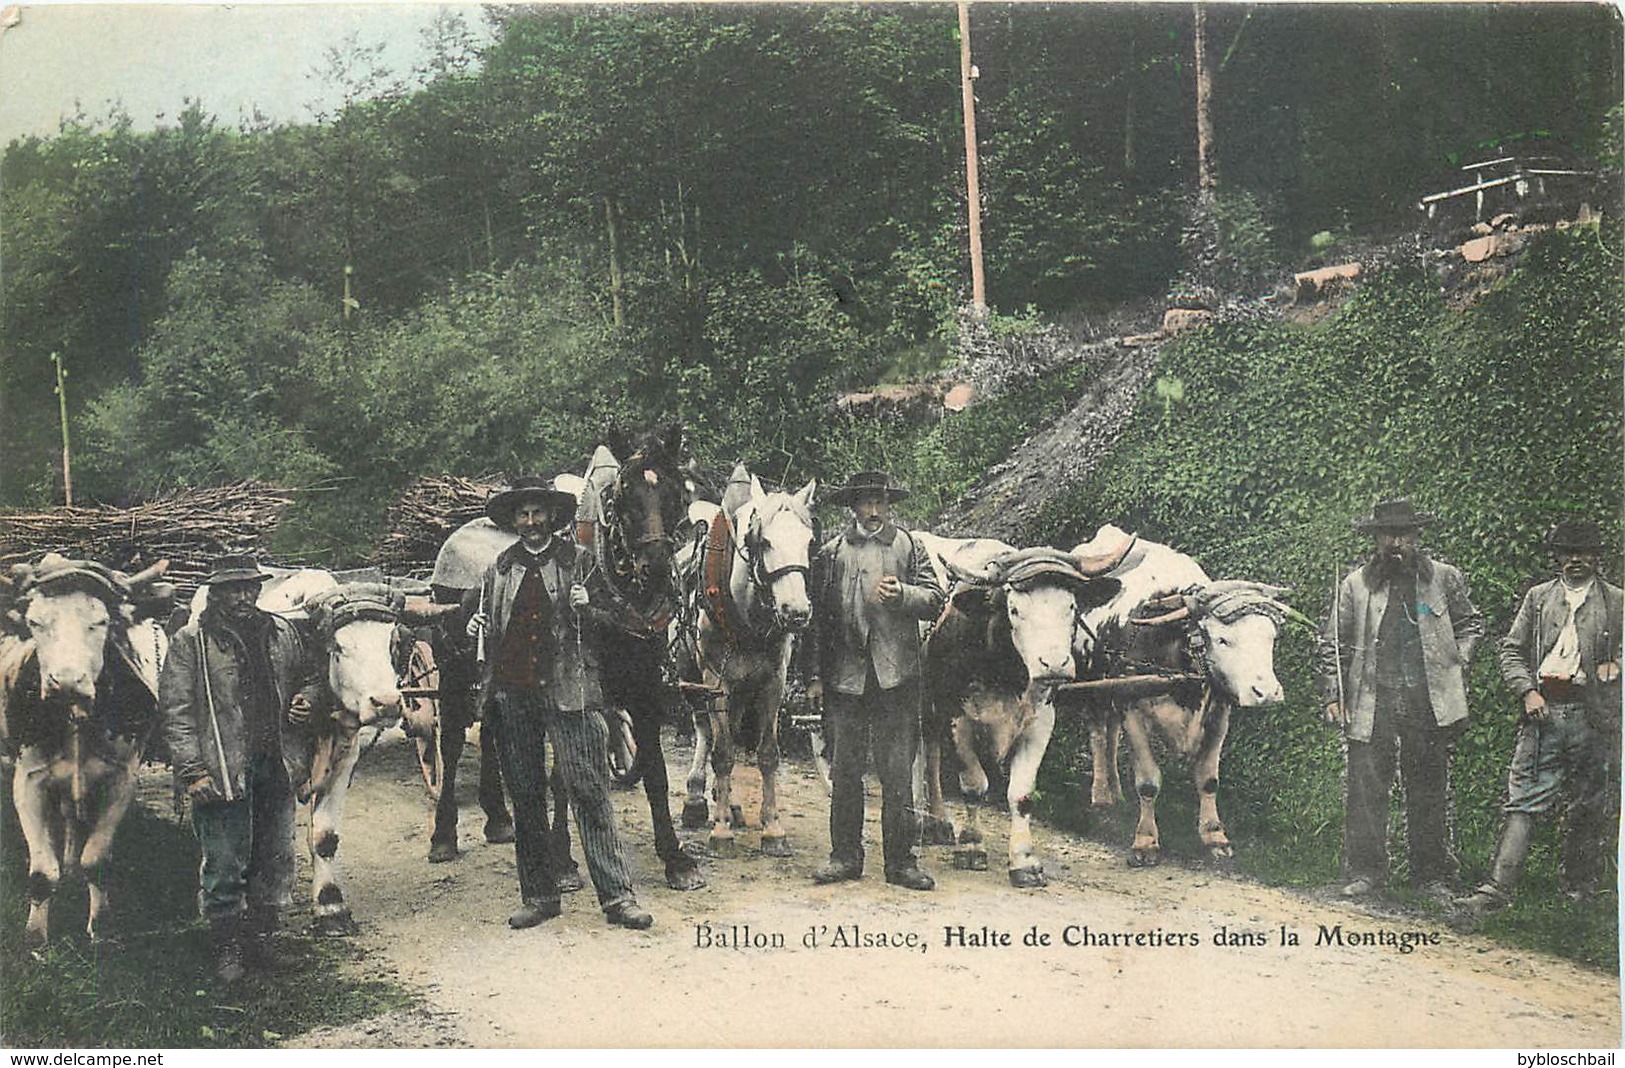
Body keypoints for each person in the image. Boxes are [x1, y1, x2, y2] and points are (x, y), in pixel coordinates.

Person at [464, 476, 653, 930]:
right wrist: (476, 626)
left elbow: (619, 624)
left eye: (538, 513)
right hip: (514, 691)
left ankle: (617, 898)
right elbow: (486, 621)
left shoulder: (580, 563)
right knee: (527, 797)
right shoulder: (500, 569)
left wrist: (590, 608)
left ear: (552, 516)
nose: (530, 522)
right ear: (514, 520)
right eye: (523, 515)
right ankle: (540, 896)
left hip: (572, 692)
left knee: (589, 792)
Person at [159, 555, 325, 985]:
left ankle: (263, 942)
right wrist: (192, 770)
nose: (241, 597)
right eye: (231, 589)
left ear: (258, 590)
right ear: (215, 594)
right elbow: (176, 711)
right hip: (222, 766)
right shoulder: (191, 641)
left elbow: (310, 675)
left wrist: (306, 698)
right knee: (225, 858)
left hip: (276, 760)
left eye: (249, 588)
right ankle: (227, 946)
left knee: (274, 854)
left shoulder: (282, 632)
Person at [1317, 499, 1484, 900]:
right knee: (1365, 789)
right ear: (1376, 539)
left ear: (1416, 538)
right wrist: (1332, 695)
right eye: (1388, 534)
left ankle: (1432, 876)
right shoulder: (1355, 585)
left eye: (1405, 535)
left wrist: (1459, 658)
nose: (1397, 542)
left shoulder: (1443, 578)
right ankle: (1366, 873)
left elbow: (1471, 623)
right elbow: (1332, 645)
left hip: (1427, 701)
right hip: (1372, 701)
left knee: (1429, 787)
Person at [1456, 519, 1622, 916]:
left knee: (1588, 802)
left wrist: (1616, 665)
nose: (1575, 561)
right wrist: (1527, 691)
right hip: (1542, 712)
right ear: (1557, 557)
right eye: (1567, 553)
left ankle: (1578, 892)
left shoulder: (1617, 601)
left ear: (1597, 558)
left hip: (1592, 716)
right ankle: (1497, 888)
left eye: (1583, 553)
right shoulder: (1538, 598)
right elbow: (1511, 649)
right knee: (1523, 799)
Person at [806, 471, 945, 890]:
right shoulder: (830, 554)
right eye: (864, 503)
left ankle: (901, 863)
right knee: (845, 771)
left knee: (898, 773)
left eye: (879, 503)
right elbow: (816, 622)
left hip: (896, 678)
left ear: (889, 505)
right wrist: (813, 677)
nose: (872, 511)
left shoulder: (908, 546)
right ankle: (844, 857)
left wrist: (903, 594)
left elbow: (936, 599)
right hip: (846, 678)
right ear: (852, 507)